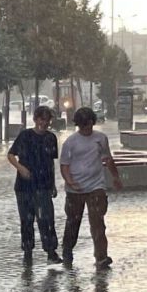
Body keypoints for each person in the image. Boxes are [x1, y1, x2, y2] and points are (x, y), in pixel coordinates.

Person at [60, 107, 123, 270]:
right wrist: (70, 181)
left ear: (93, 122)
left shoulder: (101, 138)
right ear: (78, 125)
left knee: (98, 222)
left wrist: (115, 177)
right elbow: (64, 166)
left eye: (89, 125)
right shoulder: (70, 142)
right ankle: (67, 250)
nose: (87, 128)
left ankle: (101, 256)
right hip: (75, 190)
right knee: (73, 222)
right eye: (83, 126)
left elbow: (108, 159)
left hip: (96, 186)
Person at [7, 106, 61, 266]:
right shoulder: (25, 136)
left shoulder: (51, 138)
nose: (45, 123)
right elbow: (11, 155)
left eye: (48, 120)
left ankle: (51, 252)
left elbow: (51, 162)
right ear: (36, 119)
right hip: (24, 187)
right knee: (27, 219)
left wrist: (53, 184)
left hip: (43, 185)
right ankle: (28, 252)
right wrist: (20, 168)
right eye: (42, 119)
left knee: (46, 219)